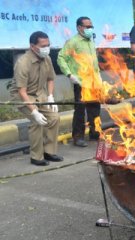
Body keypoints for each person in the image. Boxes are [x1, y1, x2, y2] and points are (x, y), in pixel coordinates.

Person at [9, 31, 63, 166]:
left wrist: (50, 96)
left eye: (48, 45)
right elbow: (22, 91)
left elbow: (50, 79)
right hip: (23, 96)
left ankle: (49, 151)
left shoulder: (47, 59)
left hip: (40, 94)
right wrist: (34, 111)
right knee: (37, 121)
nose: (47, 48)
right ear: (32, 46)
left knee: (54, 118)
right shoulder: (23, 63)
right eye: (43, 46)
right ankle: (36, 157)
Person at [57, 16, 101, 147]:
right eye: (87, 26)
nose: (90, 29)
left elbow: (94, 62)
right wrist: (70, 75)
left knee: (95, 109)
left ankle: (95, 133)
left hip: (94, 82)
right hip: (81, 83)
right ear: (79, 27)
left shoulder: (91, 40)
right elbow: (61, 58)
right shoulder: (73, 42)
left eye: (91, 26)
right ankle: (78, 137)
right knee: (80, 110)